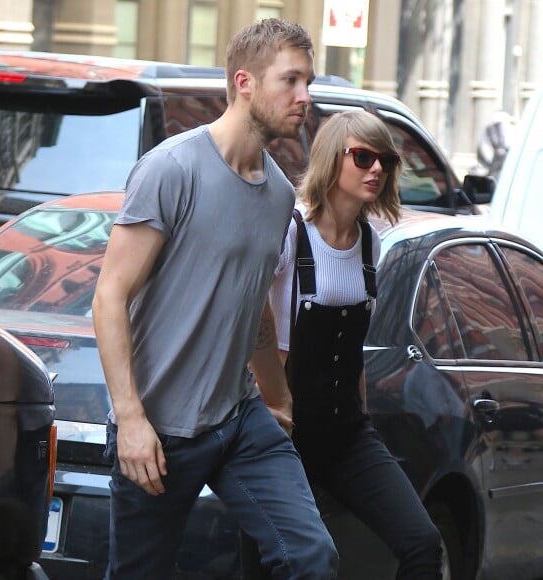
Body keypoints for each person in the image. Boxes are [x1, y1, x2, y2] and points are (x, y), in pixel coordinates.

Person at [91, 18, 338, 580]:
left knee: (310, 557)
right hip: (160, 429)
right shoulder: (172, 168)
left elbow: (253, 308)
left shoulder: (278, 192)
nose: (305, 98)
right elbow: (109, 297)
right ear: (244, 82)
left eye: (309, 82)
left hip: (239, 418)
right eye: (292, 80)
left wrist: (279, 399)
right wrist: (130, 419)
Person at [246, 110, 443, 578]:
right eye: (362, 156)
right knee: (279, 562)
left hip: (348, 432)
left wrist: (362, 414)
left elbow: (352, 348)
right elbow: (250, 316)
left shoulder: (372, 243)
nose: (375, 169)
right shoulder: (291, 232)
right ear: (332, 160)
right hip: (283, 433)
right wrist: (269, 403)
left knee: (422, 542)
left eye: (385, 161)